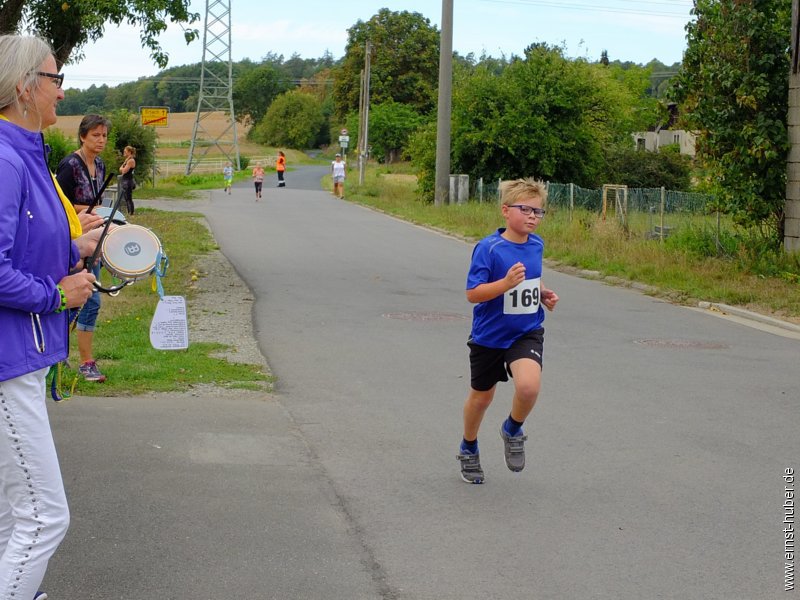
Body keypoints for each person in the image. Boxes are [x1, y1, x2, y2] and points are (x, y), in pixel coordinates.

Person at [0, 34, 106, 600]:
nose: (62, 92)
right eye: (55, 78)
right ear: (24, 87)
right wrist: (55, 294)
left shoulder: (26, 151)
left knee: (13, 515)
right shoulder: (4, 158)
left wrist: (75, 250)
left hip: (23, 353)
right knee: (44, 518)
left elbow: (26, 248)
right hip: (7, 360)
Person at [457, 178, 559, 484]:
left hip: (525, 330)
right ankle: (469, 446)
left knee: (528, 387)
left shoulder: (537, 245)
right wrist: (505, 285)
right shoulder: (489, 249)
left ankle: (513, 428)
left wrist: (542, 292)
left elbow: (532, 277)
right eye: (525, 209)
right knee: (482, 398)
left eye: (538, 212)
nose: (532, 216)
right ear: (505, 210)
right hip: (490, 335)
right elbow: (473, 294)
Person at [56, 114, 111, 383]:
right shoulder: (70, 165)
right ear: (82, 136)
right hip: (73, 242)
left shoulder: (99, 165)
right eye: (95, 136)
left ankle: (57, 352)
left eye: (104, 136)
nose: (101, 141)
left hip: (94, 238)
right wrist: (93, 211)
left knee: (82, 300)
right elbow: (59, 206)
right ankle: (85, 362)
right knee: (89, 299)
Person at [118, 145, 136, 215]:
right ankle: (129, 212)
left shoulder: (131, 160)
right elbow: (120, 168)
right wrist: (122, 168)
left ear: (129, 152)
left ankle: (131, 213)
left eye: (125, 151)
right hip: (125, 180)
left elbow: (123, 171)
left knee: (129, 198)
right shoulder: (127, 160)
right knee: (126, 198)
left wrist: (122, 168)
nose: (124, 153)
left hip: (128, 181)